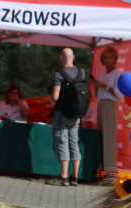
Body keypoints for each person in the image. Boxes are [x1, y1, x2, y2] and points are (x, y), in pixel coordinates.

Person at [49, 48, 83, 186]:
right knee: (74, 143)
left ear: (60, 57)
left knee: (62, 142)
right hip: (76, 114)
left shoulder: (59, 74)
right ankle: (75, 176)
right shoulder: (81, 71)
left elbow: (55, 96)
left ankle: (64, 176)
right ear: (73, 57)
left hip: (62, 113)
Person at [92, 47, 124, 175]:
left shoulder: (118, 73)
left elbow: (119, 94)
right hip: (101, 104)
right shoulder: (102, 74)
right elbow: (98, 93)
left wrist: (103, 86)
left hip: (111, 105)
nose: (107, 60)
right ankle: (101, 169)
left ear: (115, 59)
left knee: (109, 137)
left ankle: (110, 172)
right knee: (101, 136)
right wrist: (95, 85)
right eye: (105, 57)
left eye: (110, 57)